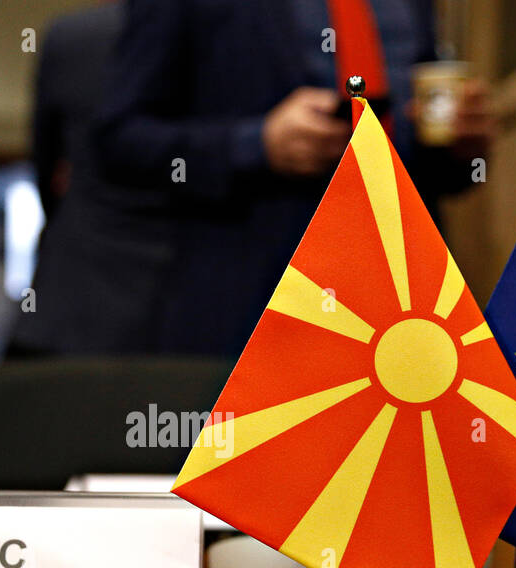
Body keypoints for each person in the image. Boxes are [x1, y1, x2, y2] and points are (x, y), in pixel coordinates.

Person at [95, 0, 493, 357]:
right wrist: (256, 145)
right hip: (253, 303)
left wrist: (459, 147)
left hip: (402, 302)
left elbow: (424, 153)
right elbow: (118, 141)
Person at [7, 2, 176, 358]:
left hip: (75, 300)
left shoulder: (74, 36)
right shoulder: (241, 40)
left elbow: (45, 162)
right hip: (188, 304)